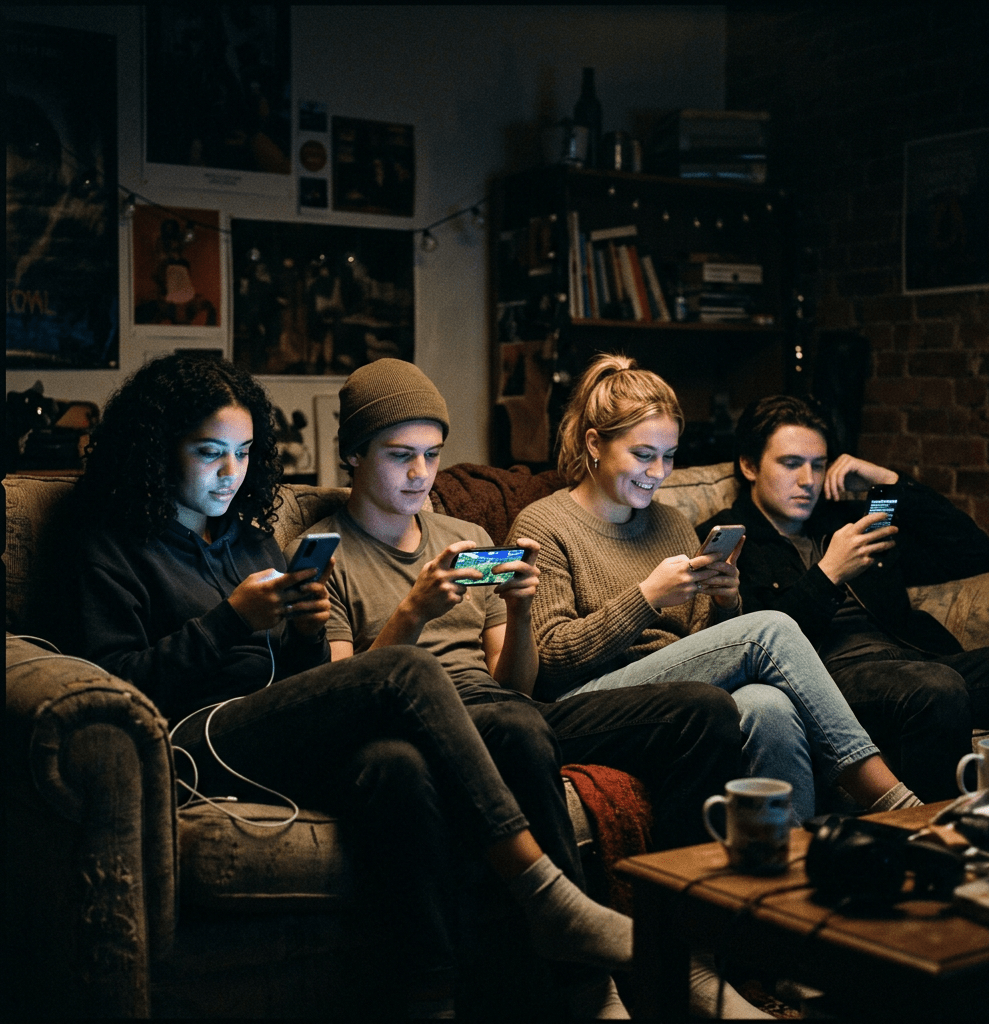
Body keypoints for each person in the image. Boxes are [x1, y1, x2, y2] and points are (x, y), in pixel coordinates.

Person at [68, 354, 637, 1021]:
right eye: (210, 453)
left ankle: (433, 998)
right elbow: (113, 686)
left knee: (394, 767)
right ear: (160, 449)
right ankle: (545, 891)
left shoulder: (252, 545)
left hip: (270, 730)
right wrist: (228, 624)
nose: (231, 472)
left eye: (245, 453)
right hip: (192, 742)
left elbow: (301, 684)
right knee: (409, 666)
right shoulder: (110, 546)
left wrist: (303, 632)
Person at [297, 357, 749, 1019]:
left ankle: (692, 957)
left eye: (432, 455)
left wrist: (515, 612)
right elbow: (345, 693)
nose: (422, 475)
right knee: (516, 727)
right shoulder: (325, 552)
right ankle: (586, 989)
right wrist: (413, 612)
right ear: (354, 454)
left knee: (701, 711)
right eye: (401, 456)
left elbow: (516, 681)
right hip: (423, 723)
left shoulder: (468, 536)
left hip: (505, 707)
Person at [508, 353, 923, 828]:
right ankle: (896, 804)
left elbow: (704, 644)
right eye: (643, 455)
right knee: (769, 628)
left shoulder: (671, 522)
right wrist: (645, 598)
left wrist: (726, 601)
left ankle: (782, 868)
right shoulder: (545, 523)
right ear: (595, 443)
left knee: (770, 706)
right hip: (588, 699)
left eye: (668, 456)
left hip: (676, 692)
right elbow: (551, 661)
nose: (658, 472)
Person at [699, 395, 989, 801]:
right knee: (936, 687)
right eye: (791, 463)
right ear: (749, 465)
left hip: (917, 660)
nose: (808, 480)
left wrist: (888, 480)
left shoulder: (847, 521)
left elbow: (973, 552)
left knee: (948, 678)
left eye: (818, 464)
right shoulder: (732, 543)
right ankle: (935, 844)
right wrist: (830, 573)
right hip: (828, 686)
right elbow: (755, 647)